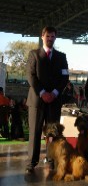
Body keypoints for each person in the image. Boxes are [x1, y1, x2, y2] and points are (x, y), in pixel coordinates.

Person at [25, 26, 69, 173]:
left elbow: (65, 77)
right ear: (42, 36)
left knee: (52, 132)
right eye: (47, 36)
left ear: (55, 38)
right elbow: (30, 76)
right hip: (37, 101)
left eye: (52, 36)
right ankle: (31, 163)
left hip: (54, 101)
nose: (50, 39)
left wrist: (55, 93)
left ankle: (51, 160)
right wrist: (43, 93)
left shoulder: (62, 57)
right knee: (35, 132)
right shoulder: (34, 54)